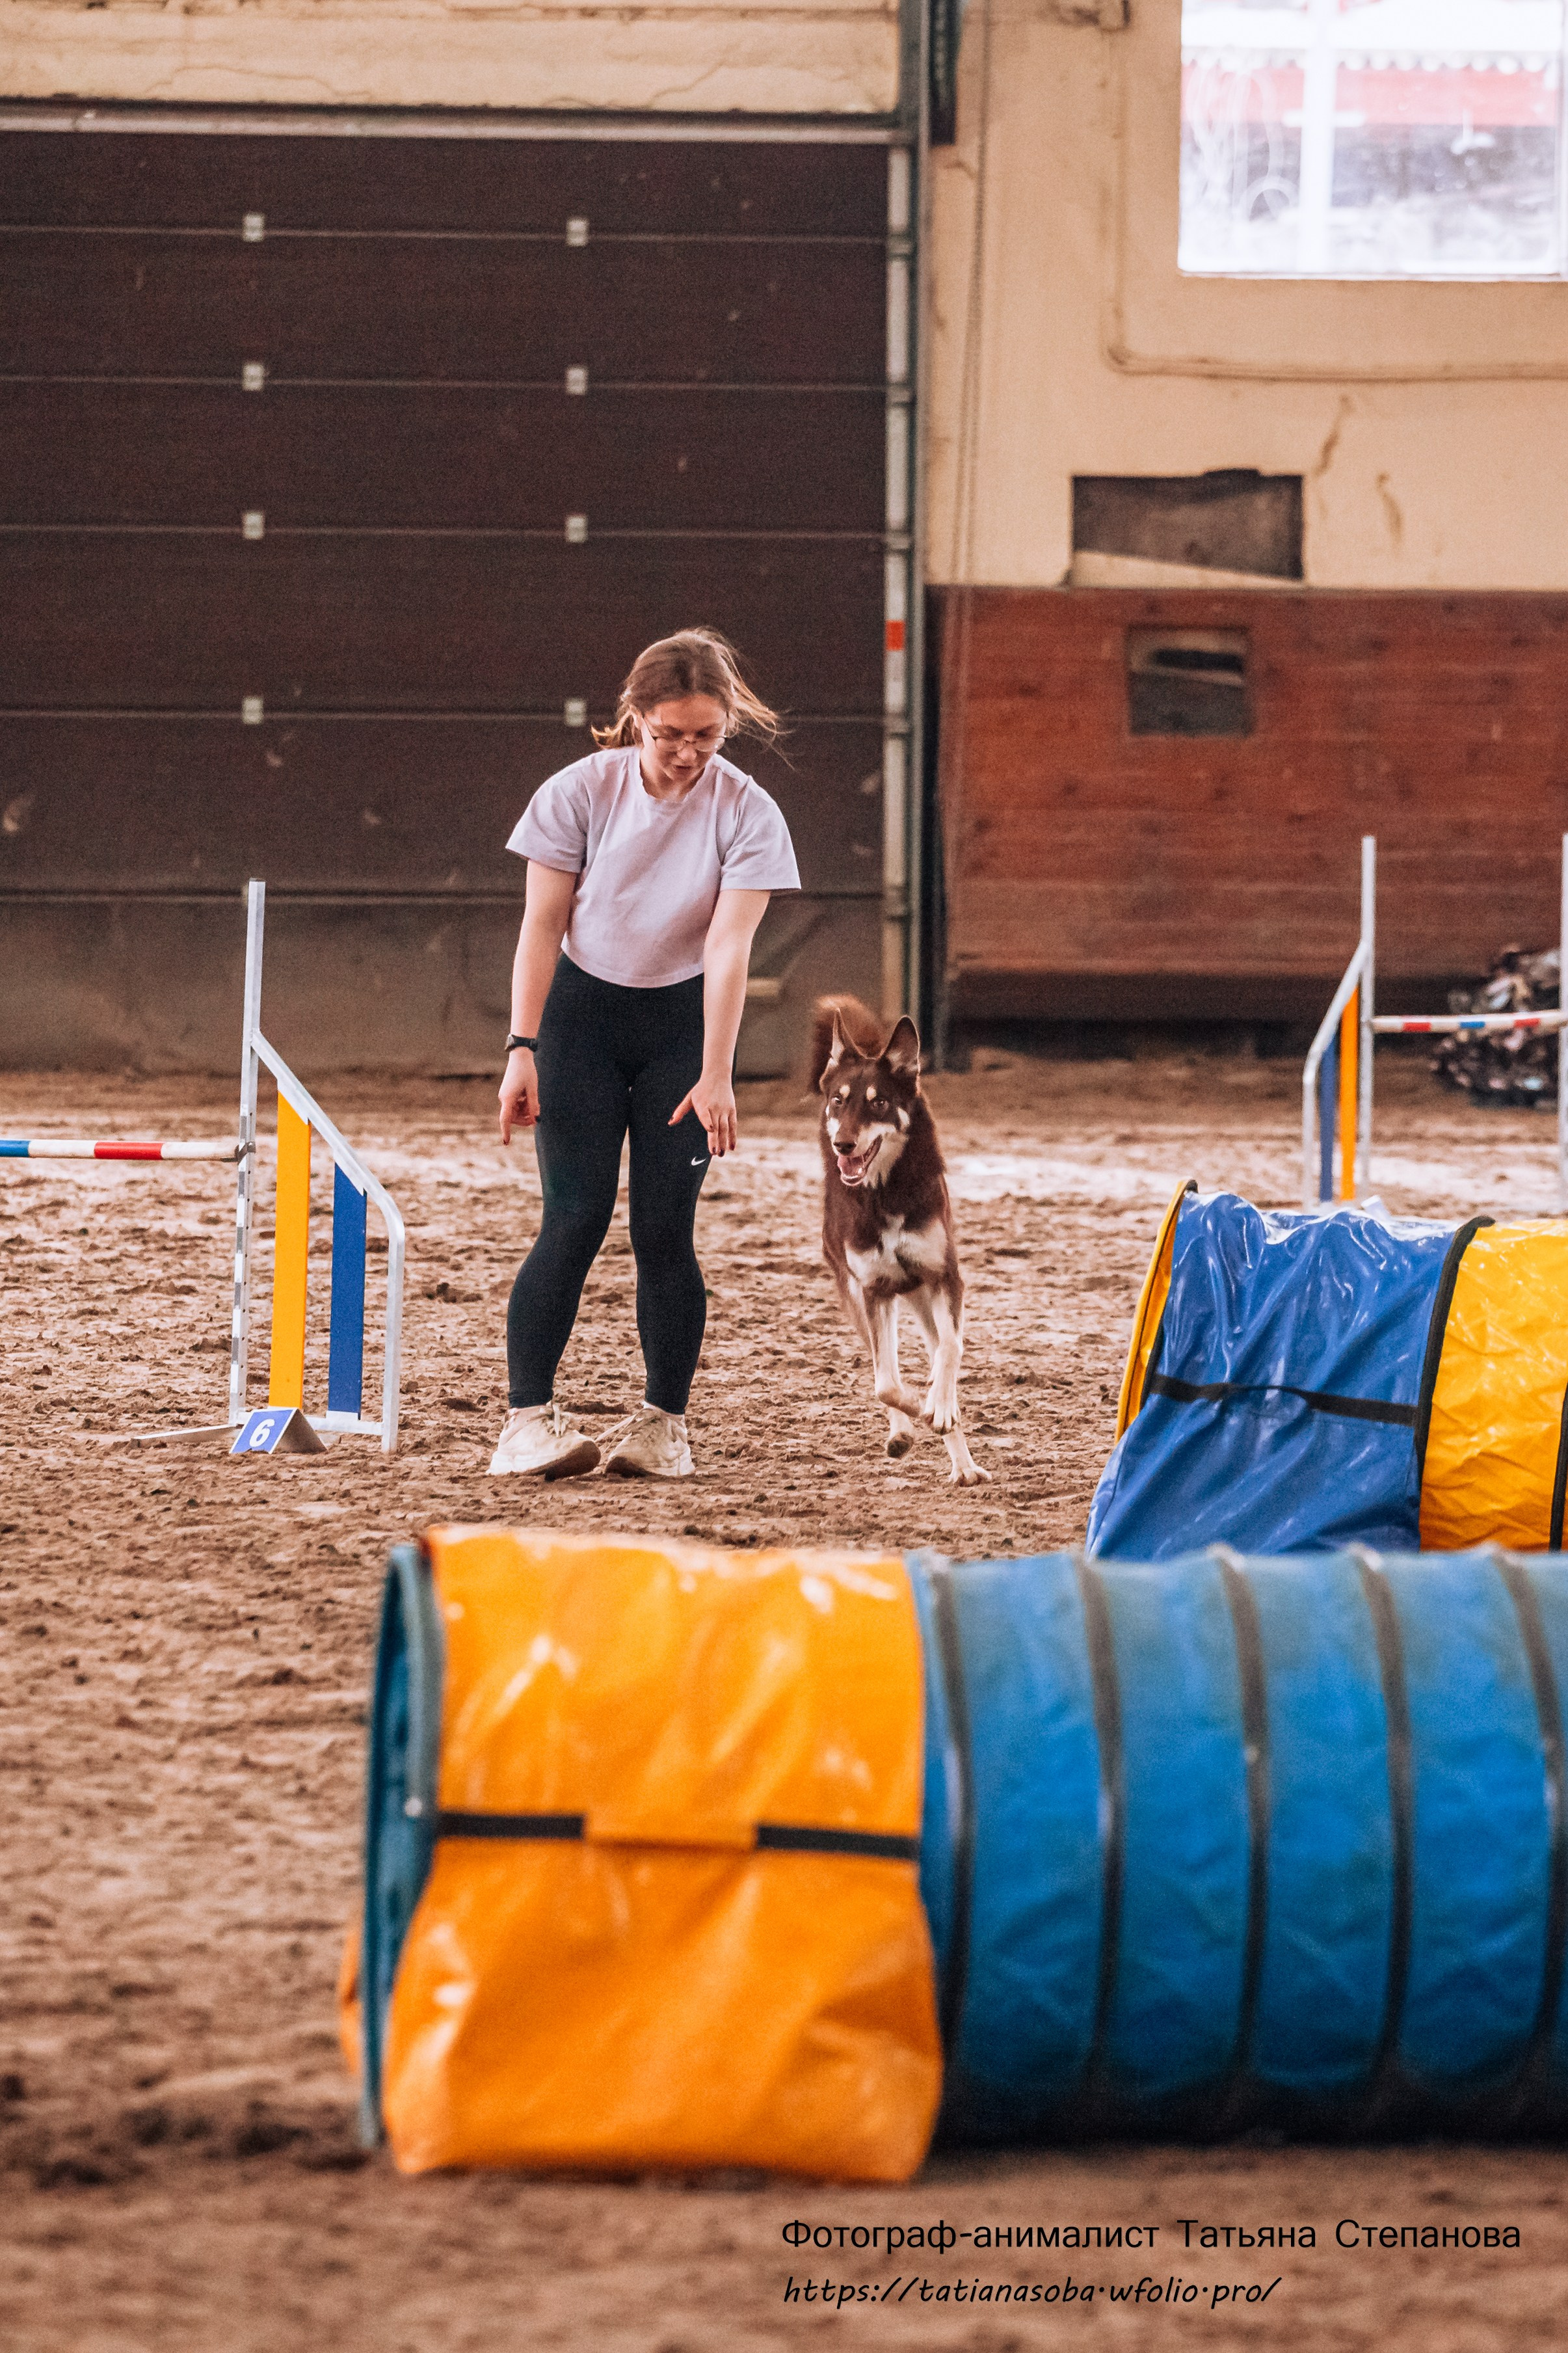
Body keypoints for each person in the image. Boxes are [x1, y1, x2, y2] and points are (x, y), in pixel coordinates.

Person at [489, 628, 800, 1479]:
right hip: (580, 1025)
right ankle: (526, 1421)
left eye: (706, 735)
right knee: (575, 1216)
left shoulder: (748, 813)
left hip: (681, 1032)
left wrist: (716, 1073)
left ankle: (663, 1424)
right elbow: (542, 926)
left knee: (666, 1228)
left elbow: (731, 947)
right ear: (634, 718)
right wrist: (523, 1047)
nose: (688, 753)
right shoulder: (577, 794)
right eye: (670, 734)